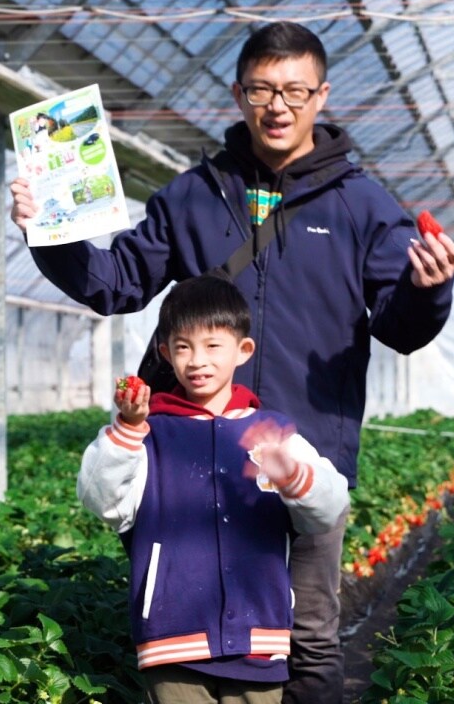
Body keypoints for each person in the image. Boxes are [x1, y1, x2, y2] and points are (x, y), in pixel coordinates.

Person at [10, 21, 454, 702]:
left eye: (294, 90)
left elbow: (400, 328)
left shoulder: (361, 206)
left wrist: (429, 290)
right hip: (188, 455)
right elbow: (115, 281)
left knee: (307, 637)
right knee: (180, 637)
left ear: (321, 95)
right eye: (261, 89)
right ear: (239, 93)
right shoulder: (197, 195)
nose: (277, 105)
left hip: (305, 454)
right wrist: (50, 233)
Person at [79, 273, 349, 703]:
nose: (197, 360)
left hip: (258, 633)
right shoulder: (150, 437)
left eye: (212, 345)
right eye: (183, 347)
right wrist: (127, 430)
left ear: (243, 351)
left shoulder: (273, 433)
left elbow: (329, 508)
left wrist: (296, 478)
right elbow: (103, 502)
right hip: (172, 634)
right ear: (166, 353)